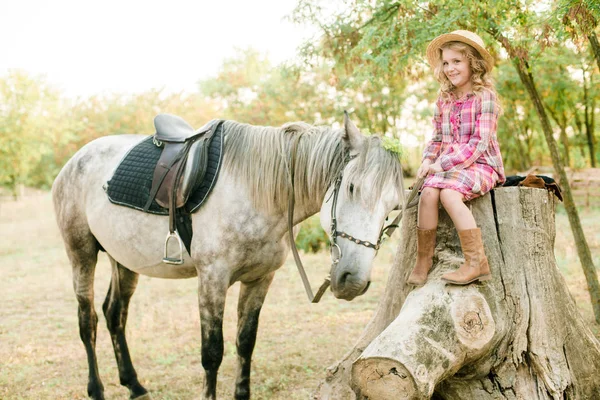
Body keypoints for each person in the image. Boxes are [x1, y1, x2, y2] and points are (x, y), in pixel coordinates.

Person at [407, 30, 505, 286]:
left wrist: (444, 163)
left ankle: (476, 262)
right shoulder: (444, 99)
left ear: (473, 63)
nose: (450, 68)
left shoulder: (486, 98)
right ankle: (424, 259)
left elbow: (479, 143)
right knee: (428, 193)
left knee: (449, 194)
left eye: (457, 61)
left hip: (481, 164)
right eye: (446, 62)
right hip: (449, 166)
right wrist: (428, 161)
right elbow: (437, 138)